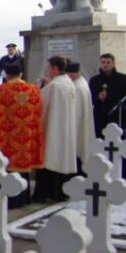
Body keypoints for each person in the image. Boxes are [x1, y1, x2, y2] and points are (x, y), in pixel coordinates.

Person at [0, 64, 44, 207]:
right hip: (27, 138)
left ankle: (10, 200)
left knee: (8, 166)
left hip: (6, 140)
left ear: (7, 74)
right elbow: (39, 113)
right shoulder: (33, 91)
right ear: (21, 74)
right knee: (24, 170)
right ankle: (23, 198)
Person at [32, 56, 79, 202]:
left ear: (54, 68)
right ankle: (60, 192)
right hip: (65, 130)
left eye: (48, 67)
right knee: (61, 159)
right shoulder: (69, 83)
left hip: (54, 130)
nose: (47, 70)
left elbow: (40, 104)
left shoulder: (55, 86)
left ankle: (46, 194)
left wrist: (40, 88)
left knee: (50, 159)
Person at [88, 53, 126, 137]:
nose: (105, 65)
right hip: (100, 117)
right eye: (103, 62)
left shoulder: (122, 78)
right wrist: (98, 97)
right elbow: (90, 99)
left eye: (108, 62)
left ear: (113, 63)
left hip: (118, 116)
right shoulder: (94, 80)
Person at [66, 62, 96, 168]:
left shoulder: (77, 88)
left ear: (71, 75)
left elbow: (75, 115)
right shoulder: (82, 82)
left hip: (76, 130)